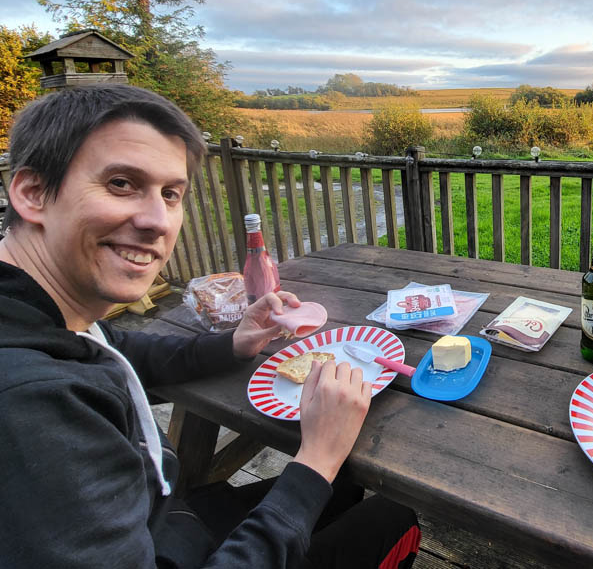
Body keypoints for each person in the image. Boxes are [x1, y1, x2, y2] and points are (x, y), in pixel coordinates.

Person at [0, 85, 421, 568]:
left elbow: (121, 352)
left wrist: (234, 344)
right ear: (33, 193)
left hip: (165, 521)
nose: (158, 220)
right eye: (121, 183)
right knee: (393, 516)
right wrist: (315, 459)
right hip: (173, 545)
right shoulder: (27, 403)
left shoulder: (42, 318)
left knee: (344, 490)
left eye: (171, 193)